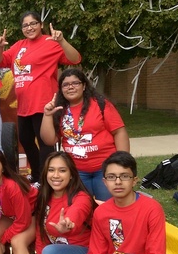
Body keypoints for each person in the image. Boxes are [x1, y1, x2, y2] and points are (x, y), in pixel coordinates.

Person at [0, 11, 82, 183]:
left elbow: (75, 58)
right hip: (24, 105)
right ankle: (37, 175)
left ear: (41, 25)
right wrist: (0, 47)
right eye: (25, 25)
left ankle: (46, 179)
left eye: (33, 23)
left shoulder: (51, 43)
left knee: (46, 143)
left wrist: (61, 41)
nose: (29, 27)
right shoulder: (18, 46)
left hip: (44, 104)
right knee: (25, 140)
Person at [41, 68, 129, 201]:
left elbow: (119, 131)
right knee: (83, 208)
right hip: (77, 171)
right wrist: (47, 115)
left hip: (105, 169)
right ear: (61, 89)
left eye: (75, 83)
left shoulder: (100, 104)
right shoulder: (59, 110)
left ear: (84, 86)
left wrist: (122, 163)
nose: (70, 87)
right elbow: (49, 140)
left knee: (107, 206)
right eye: (65, 84)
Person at [30, 151, 95, 254]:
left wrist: (67, 224)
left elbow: (76, 213)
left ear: (72, 175)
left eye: (62, 170)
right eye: (51, 170)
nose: (56, 175)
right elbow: (41, 236)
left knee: (50, 253)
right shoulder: (44, 197)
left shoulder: (81, 197)